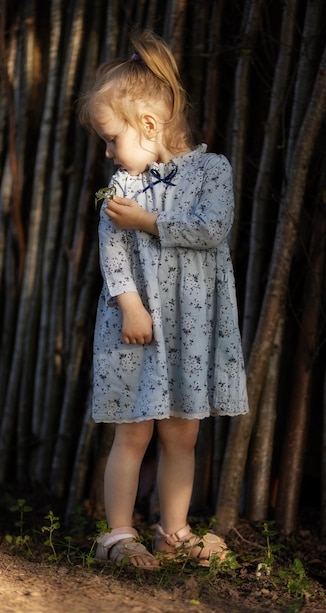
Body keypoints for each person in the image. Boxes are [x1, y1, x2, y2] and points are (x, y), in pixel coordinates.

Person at [77, 30, 248, 569]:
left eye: (110, 138)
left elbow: (211, 230)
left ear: (147, 126)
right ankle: (119, 535)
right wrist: (129, 304)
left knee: (182, 432)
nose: (107, 152)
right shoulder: (121, 188)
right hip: (139, 326)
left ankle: (174, 531)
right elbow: (113, 253)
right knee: (132, 429)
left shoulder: (211, 171)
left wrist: (148, 221)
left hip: (191, 332)